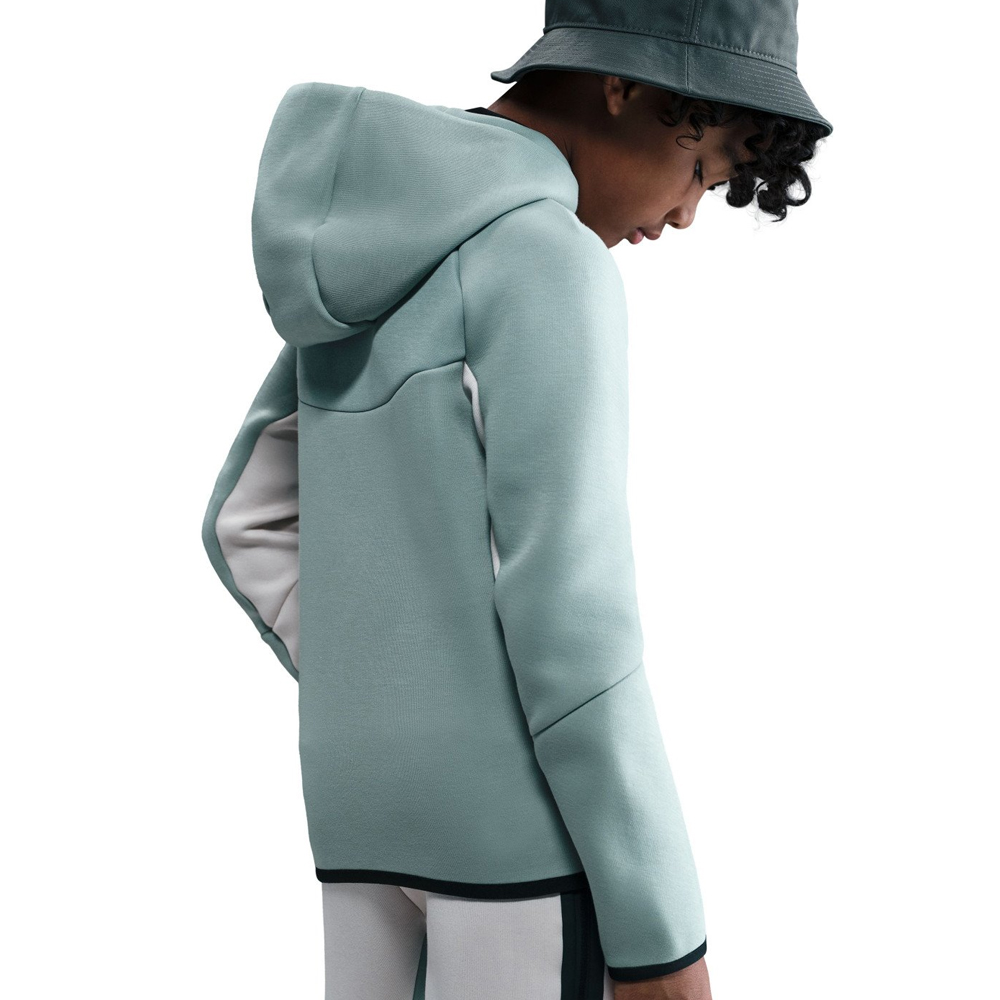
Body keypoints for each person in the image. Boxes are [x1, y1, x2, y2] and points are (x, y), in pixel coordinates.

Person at [201, 2, 832, 998]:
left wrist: (385, 694)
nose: (684, 215)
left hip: (358, 817)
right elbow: (571, 616)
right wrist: (663, 938)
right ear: (626, 88)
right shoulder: (545, 258)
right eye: (703, 169)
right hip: (523, 848)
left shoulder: (373, 256)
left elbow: (243, 518)